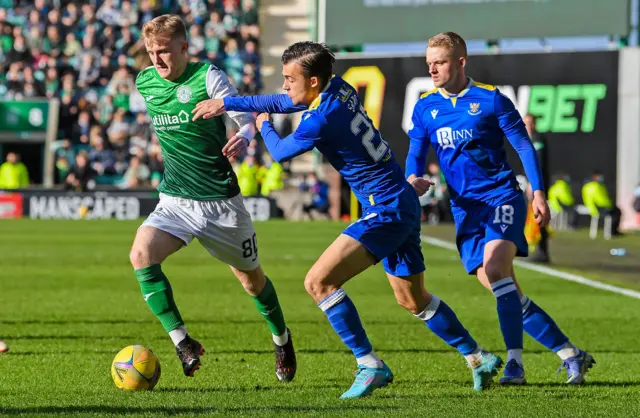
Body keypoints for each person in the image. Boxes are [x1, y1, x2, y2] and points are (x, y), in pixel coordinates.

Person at [193, 41, 502, 398]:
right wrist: (229, 102)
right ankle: (478, 357)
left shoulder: (319, 119)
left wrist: (262, 125)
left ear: (312, 82)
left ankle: (369, 364)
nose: (284, 85)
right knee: (412, 299)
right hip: (400, 199)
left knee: (318, 282)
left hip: (384, 209)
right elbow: (284, 101)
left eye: (289, 78)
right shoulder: (339, 88)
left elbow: (279, 152)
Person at [404, 32, 594, 385]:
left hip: (501, 198)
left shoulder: (490, 100)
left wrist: (538, 193)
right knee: (506, 291)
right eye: (429, 62)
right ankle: (572, 355)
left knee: (496, 270)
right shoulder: (425, 106)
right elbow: (415, 153)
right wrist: (410, 182)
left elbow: (523, 145)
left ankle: (515, 365)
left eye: (440, 62)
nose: (432, 68)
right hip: (465, 211)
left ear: (461, 61)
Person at [130, 15, 296, 382]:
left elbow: (244, 116)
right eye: (151, 52)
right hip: (175, 200)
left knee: (252, 281)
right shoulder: (145, 82)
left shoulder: (208, 77)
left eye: (164, 51)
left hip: (221, 203)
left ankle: (282, 339)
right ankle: (183, 342)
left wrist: (246, 135)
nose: (157, 60)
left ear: (184, 48)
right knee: (141, 254)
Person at [523, 114, 551, 263]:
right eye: (525, 123)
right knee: (532, 217)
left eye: (530, 123)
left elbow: (537, 163)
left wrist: (533, 185)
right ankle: (536, 248)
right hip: (533, 185)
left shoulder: (538, 139)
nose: (528, 126)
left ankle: (542, 252)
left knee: (539, 215)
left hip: (538, 186)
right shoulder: (527, 139)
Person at [582, 170, 622, 236]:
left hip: (592, 207)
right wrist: (610, 205)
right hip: (598, 208)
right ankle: (613, 232)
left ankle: (612, 231)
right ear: (594, 177)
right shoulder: (596, 186)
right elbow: (601, 200)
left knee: (615, 211)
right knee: (616, 212)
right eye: (599, 176)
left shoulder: (587, 186)